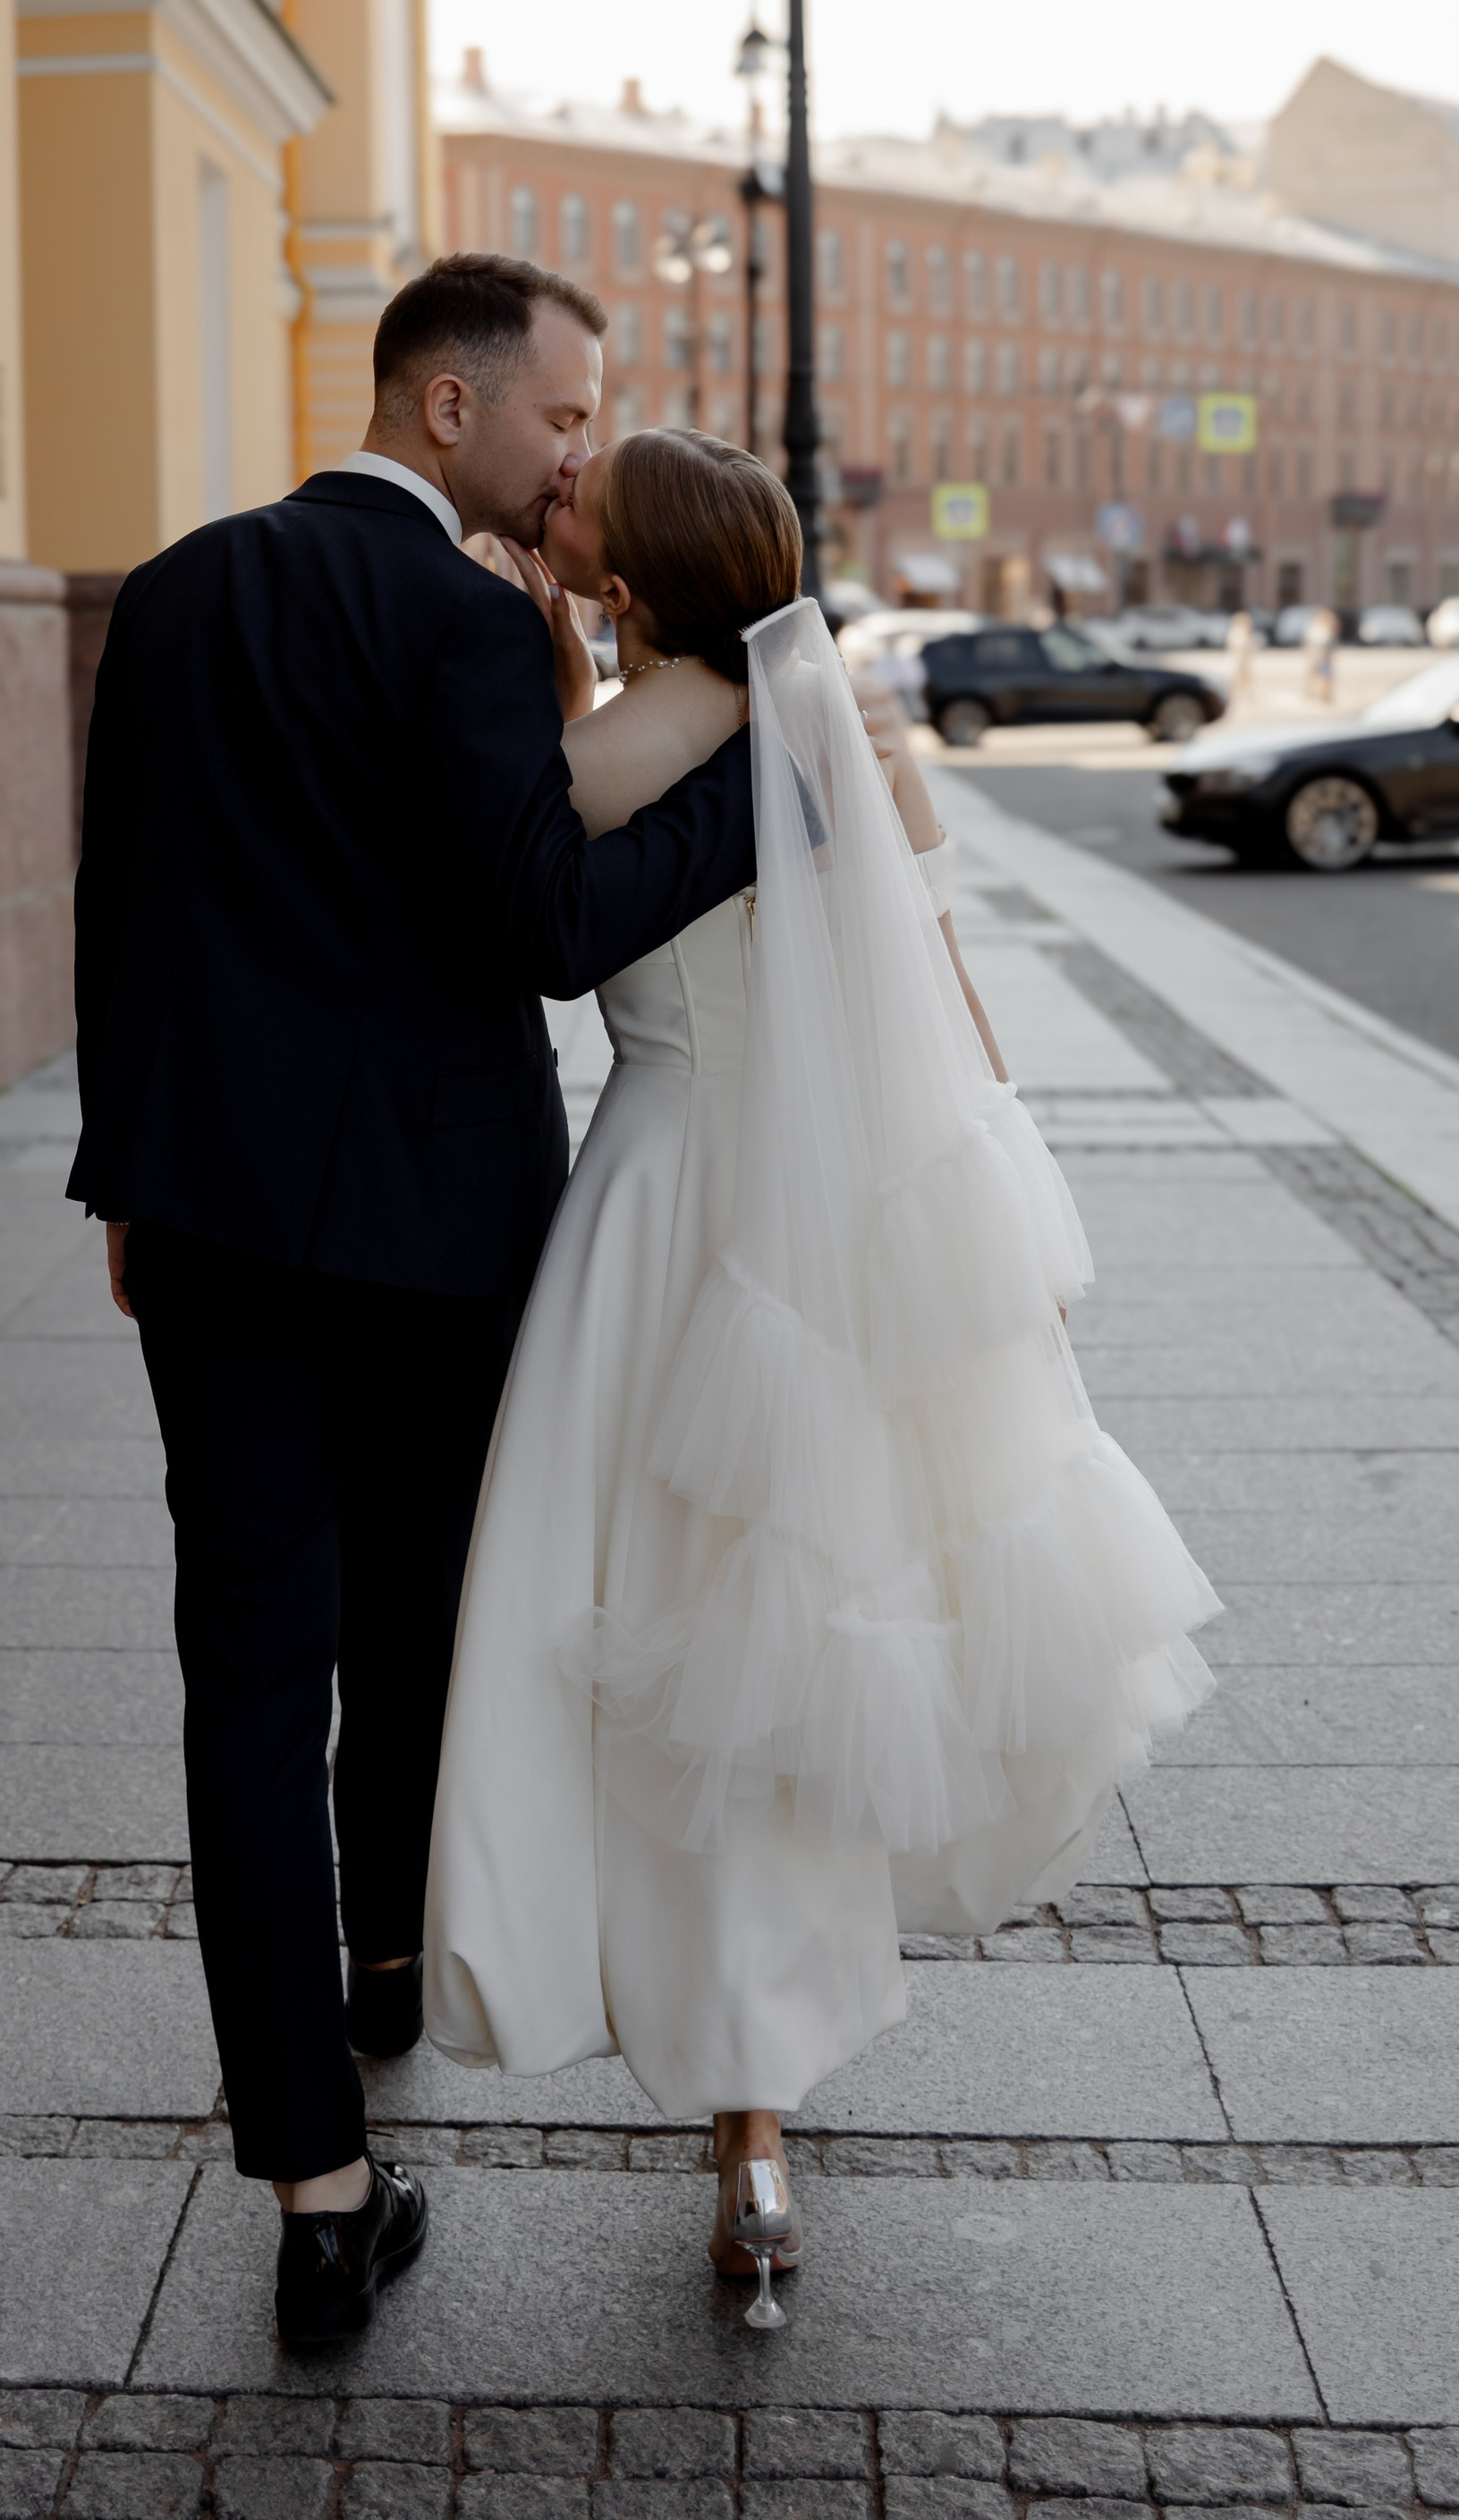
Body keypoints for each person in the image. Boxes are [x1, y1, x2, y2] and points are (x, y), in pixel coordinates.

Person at [426, 429, 1219, 2291]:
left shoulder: (606, 751)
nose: (552, 514)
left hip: (659, 1211)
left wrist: (548, 668)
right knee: (788, 1652)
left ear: (626, 583)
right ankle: (754, 2131)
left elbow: (533, 866)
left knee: (631, 1642)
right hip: (835, 1218)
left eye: (577, 518)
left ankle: (689, 2057)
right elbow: (945, 1005)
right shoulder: (844, 729)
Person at [69, 261, 759, 2350]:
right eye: (564, 419)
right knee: (422, 1619)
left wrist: (127, 1171)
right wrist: (761, 793)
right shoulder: (459, 620)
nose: (582, 458)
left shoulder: (174, 591)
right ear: (444, 408)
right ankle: (386, 1961)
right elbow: (548, 925)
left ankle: (314, 2175)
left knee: (251, 1687)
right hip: (436, 1240)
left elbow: (127, 900)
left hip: (207, 1232)